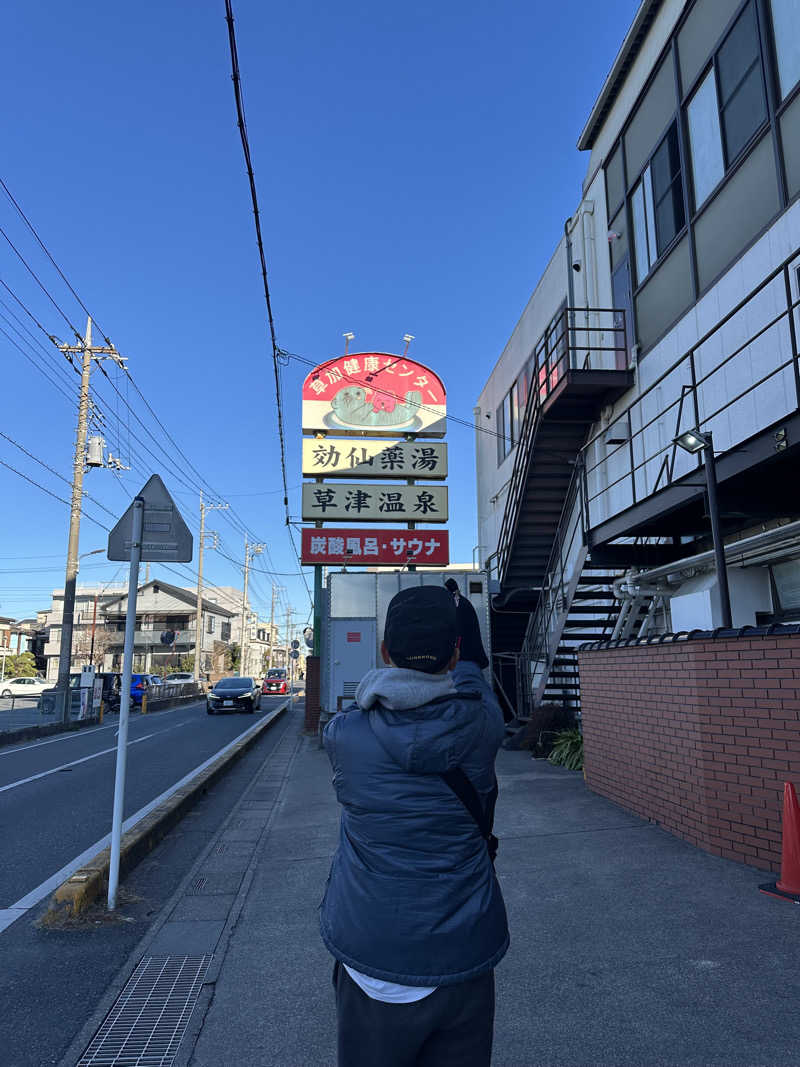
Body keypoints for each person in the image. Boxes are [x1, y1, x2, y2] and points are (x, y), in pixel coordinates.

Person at [320, 585, 508, 1067]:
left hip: (373, 949)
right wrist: (464, 625)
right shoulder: (483, 726)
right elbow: (474, 681)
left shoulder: (345, 736)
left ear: (384, 652)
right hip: (464, 948)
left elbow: (381, 701)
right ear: (456, 653)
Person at [444, 577, 489, 670]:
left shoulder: (457, 603)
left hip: (464, 652)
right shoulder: (462, 601)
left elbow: (459, 627)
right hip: (468, 649)